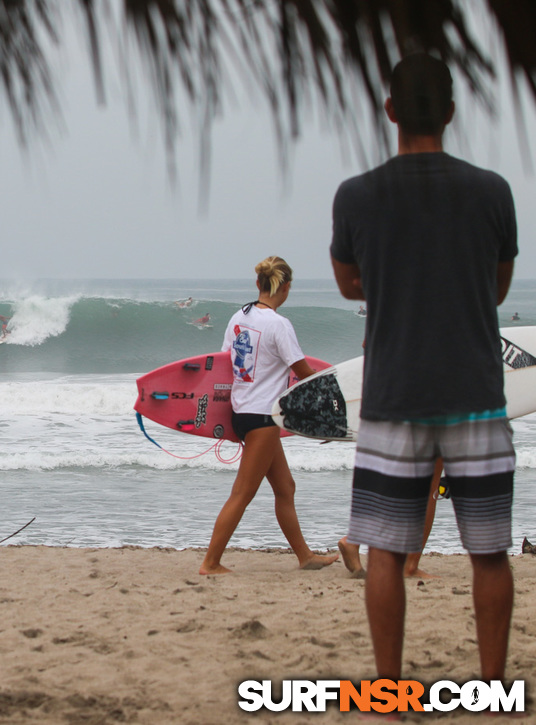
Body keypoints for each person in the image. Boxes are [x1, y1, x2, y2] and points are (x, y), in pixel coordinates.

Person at [331, 53, 517, 683]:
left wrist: (397, 281)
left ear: (389, 111)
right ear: (451, 112)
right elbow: (496, 288)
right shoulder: (492, 191)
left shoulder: (357, 196)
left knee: (385, 550)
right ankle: (493, 687)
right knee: (489, 554)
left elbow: (350, 284)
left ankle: (389, 686)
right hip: (476, 395)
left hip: (392, 396)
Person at [199, 257, 339, 575]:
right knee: (242, 493)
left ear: (258, 284)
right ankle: (210, 562)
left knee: (285, 487)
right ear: (285, 287)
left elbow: (225, 362)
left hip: (245, 412)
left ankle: (305, 556)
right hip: (262, 417)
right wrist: (335, 381)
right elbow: (302, 371)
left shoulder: (239, 317)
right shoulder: (278, 324)